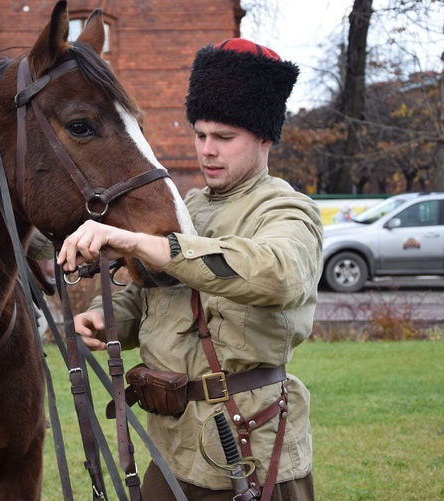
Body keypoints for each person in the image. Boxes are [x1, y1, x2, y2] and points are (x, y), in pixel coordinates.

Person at [58, 38, 323, 500]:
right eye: (200, 135)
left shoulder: (286, 210)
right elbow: (152, 294)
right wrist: (109, 318)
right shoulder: (189, 207)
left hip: (251, 449)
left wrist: (145, 242)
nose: (207, 150)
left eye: (223, 138)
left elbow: (280, 274)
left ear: (264, 138)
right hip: (171, 448)